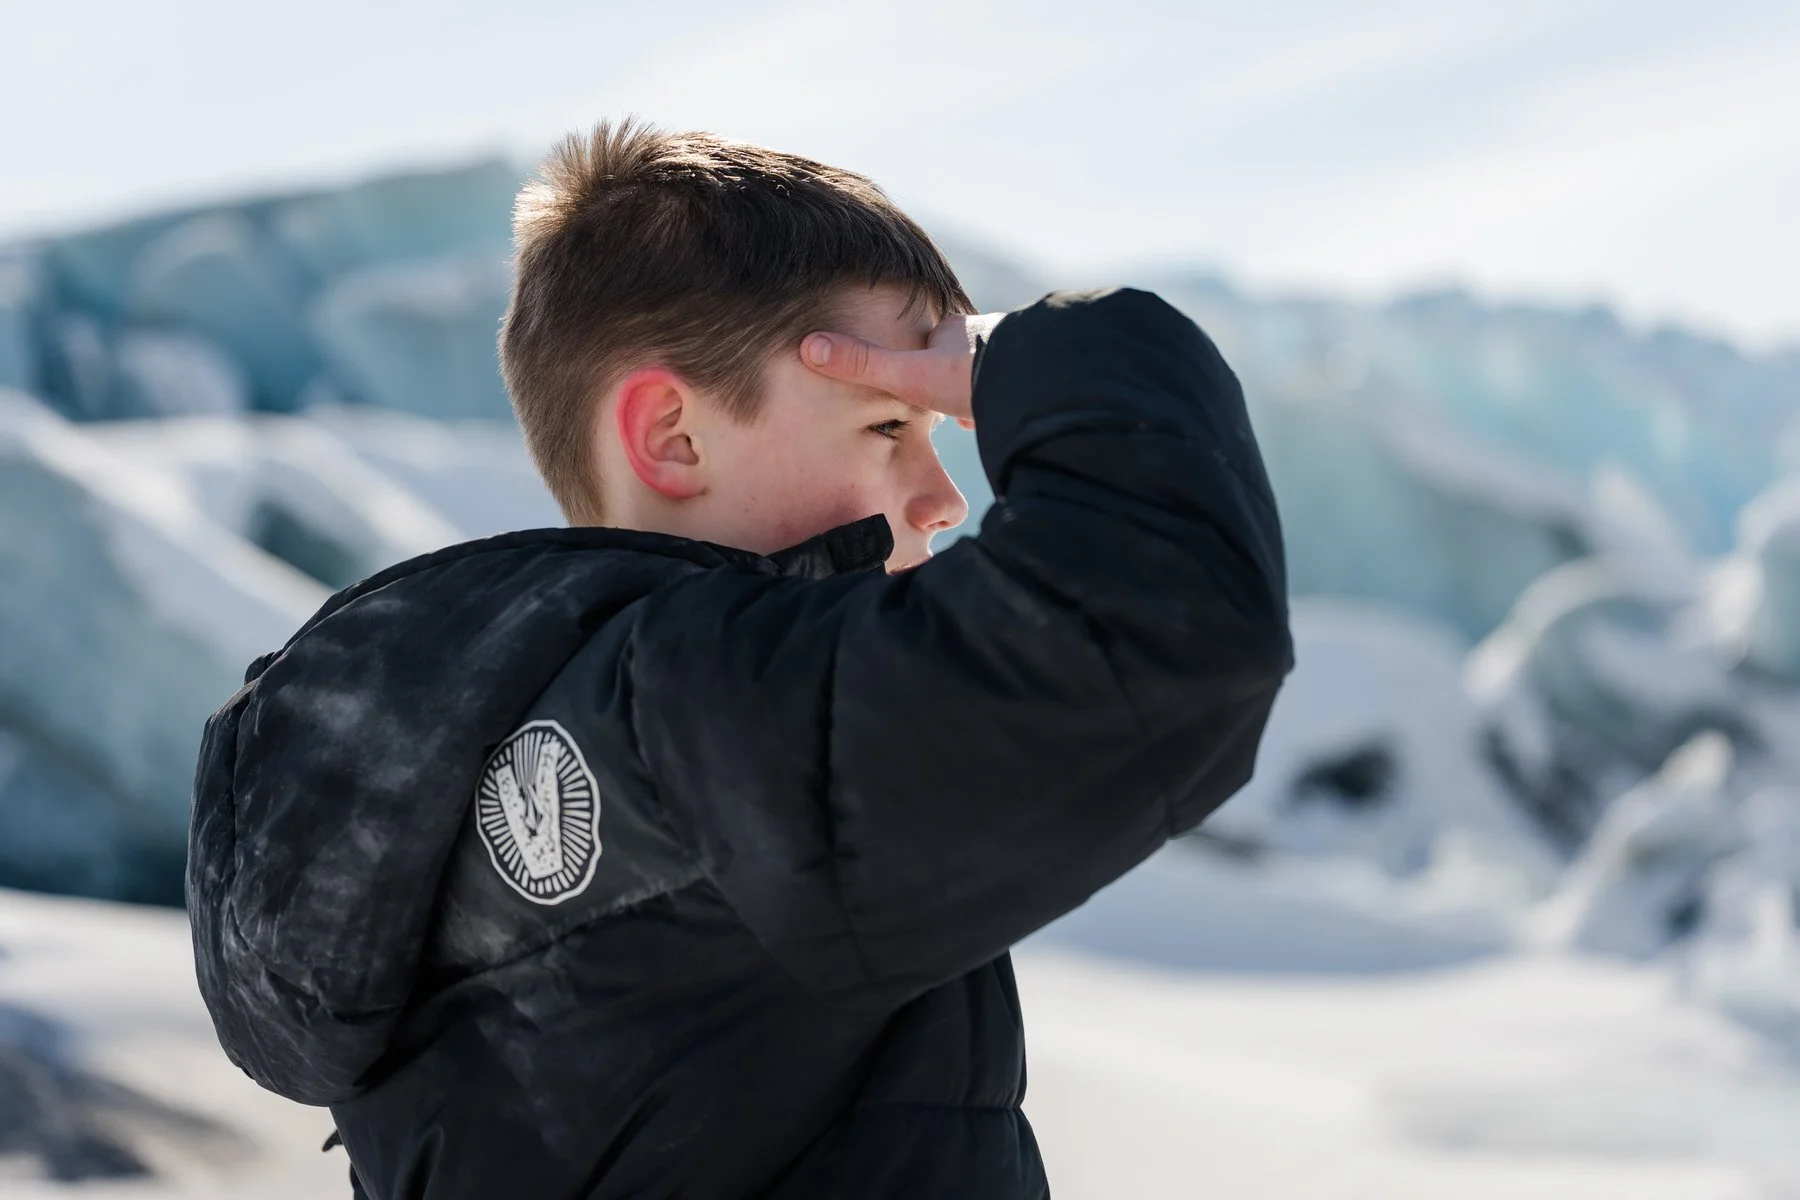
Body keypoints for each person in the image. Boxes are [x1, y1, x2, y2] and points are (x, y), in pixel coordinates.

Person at [187, 117, 1294, 1199]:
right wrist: (1071, 347)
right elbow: (1156, 633)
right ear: (673, 436)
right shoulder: (695, 716)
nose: (947, 496)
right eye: (889, 424)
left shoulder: (464, 750)